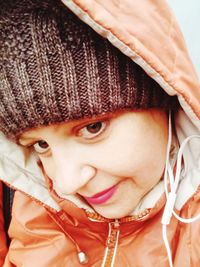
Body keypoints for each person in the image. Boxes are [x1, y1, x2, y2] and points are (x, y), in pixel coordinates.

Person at [0, 0, 200, 266]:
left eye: (93, 128)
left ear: (161, 92)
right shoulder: (14, 193)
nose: (66, 183)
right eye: (40, 145)